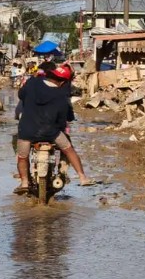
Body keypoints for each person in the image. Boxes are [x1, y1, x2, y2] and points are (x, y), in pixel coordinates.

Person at [14, 63, 95, 194]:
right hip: (50, 132)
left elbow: (21, 95)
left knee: (22, 157)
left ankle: (24, 182)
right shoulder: (61, 95)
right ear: (63, 82)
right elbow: (63, 120)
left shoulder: (32, 82)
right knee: (69, 149)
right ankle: (82, 177)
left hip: (27, 130)